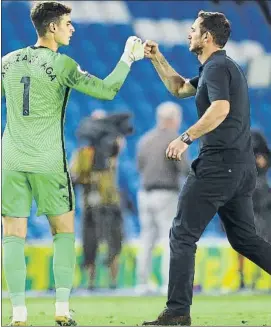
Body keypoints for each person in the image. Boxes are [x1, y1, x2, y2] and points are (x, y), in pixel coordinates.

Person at [1, 1, 144, 326]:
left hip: (10, 159)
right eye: (67, 23)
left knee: (12, 236)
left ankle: (18, 313)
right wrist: (128, 59)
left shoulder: (6, 62)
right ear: (52, 27)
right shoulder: (62, 64)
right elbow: (107, 91)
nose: (72, 28)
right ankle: (62, 309)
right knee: (63, 232)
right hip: (48, 160)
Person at [142, 10, 271, 326]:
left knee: (182, 234)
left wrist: (185, 137)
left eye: (193, 29)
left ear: (207, 37)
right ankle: (177, 311)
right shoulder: (222, 67)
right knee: (244, 239)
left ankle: (176, 312)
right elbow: (180, 88)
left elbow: (221, 109)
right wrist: (157, 59)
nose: (189, 34)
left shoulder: (216, 67)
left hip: (218, 165)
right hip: (240, 169)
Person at [136, 101, 189, 295]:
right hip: (166, 193)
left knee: (146, 239)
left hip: (144, 193)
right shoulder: (176, 140)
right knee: (169, 238)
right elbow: (183, 169)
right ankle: (168, 282)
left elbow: (139, 167)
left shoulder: (145, 140)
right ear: (174, 119)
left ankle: (142, 283)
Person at [71, 109, 125, 291]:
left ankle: (113, 281)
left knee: (114, 241)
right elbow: (74, 175)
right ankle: (90, 281)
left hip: (110, 201)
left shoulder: (112, 150)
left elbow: (119, 145)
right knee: (90, 243)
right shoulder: (83, 153)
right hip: (90, 203)